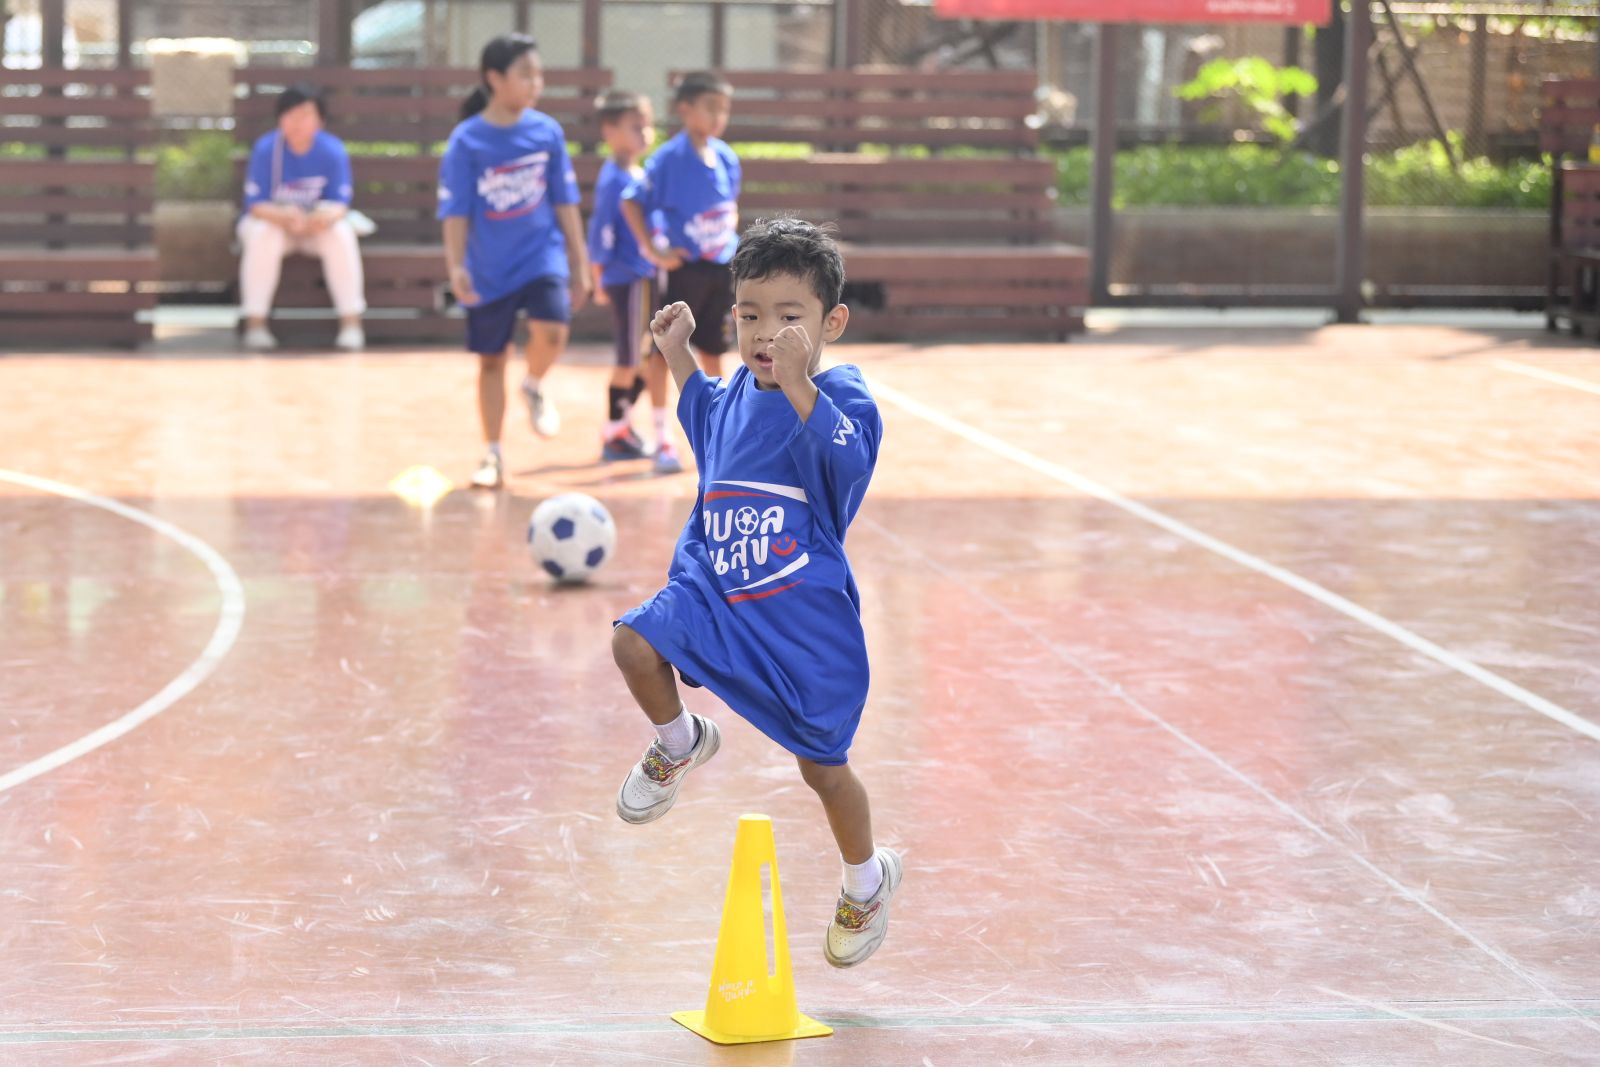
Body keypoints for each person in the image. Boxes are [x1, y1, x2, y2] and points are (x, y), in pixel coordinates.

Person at [610, 217, 902, 968]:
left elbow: (847, 459)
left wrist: (800, 385)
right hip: (716, 592)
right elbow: (707, 421)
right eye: (749, 316)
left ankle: (867, 879)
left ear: (832, 322)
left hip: (797, 622)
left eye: (789, 317)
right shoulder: (737, 390)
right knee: (633, 642)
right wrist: (678, 355)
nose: (766, 334)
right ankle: (681, 741)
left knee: (823, 769)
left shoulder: (841, 395)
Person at [438, 34, 591, 490]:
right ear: (494, 78)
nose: (535, 83)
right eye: (526, 74)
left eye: (539, 75)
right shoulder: (467, 140)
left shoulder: (547, 132)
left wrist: (580, 262)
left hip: (541, 256)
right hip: (488, 266)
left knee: (554, 331)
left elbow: (564, 201)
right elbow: (455, 211)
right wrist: (456, 265)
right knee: (491, 362)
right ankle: (492, 454)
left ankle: (534, 384)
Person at [585, 89, 681, 474]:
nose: (645, 133)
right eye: (635, 126)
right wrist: (598, 278)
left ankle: (621, 425)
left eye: (647, 125)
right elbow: (600, 233)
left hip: (645, 276)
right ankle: (614, 431)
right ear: (609, 131)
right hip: (629, 277)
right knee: (629, 357)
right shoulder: (614, 180)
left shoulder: (639, 174)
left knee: (644, 357)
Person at [620, 71, 739, 380]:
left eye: (724, 108)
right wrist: (653, 250)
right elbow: (631, 201)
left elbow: (730, 205)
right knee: (667, 345)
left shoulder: (726, 157)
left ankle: (718, 406)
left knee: (715, 347)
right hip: (685, 269)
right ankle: (660, 412)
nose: (718, 116)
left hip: (721, 267)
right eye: (710, 107)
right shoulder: (669, 159)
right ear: (685, 108)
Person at [238, 84, 366, 352]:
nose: (297, 122)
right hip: (278, 230)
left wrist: (322, 217)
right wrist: (282, 216)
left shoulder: (332, 150)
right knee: (263, 233)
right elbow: (255, 206)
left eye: (305, 115)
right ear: (279, 118)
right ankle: (256, 325)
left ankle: (351, 324)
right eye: (290, 115)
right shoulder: (266, 149)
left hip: (314, 232)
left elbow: (340, 205)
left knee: (341, 233)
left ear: (320, 120)